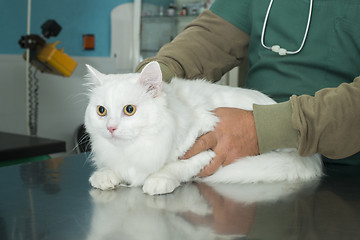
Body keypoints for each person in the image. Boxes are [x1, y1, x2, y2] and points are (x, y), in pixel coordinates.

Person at [136, 0, 360, 177]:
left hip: (347, 171)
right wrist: (149, 81)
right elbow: (211, 37)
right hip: (255, 160)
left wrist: (261, 128)